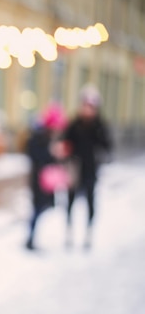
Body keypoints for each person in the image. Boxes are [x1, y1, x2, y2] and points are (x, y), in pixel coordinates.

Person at [63, 84, 112, 248]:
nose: (87, 109)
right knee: (70, 201)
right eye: (85, 105)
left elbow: (107, 147)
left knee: (90, 201)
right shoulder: (74, 124)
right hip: (75, 169)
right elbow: (65, 143)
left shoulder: (100, 126)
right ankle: (69, 232)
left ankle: (88, 233)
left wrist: (101, 155)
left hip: (91, 170)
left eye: (91, 106)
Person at [24, 102, 69, 250]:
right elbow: (35, 154)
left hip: (46, 180)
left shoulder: (50, 137)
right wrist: (51, 154)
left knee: (42, 208)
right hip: (39, 179)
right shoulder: (40, 137)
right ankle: (30, 239)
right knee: (37, 208)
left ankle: (32, 238)